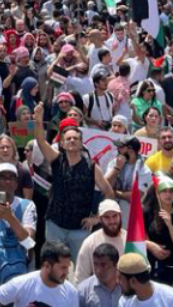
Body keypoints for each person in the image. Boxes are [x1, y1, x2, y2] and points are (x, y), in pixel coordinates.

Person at [32, 104, 114, 259]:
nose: (71, 141)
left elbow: (109, 192)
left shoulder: (92, 167)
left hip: (79, 229)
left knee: (79, 272)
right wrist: (38, 120)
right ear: (62, 143)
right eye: (68, 138)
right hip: (54, 225)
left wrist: (97, 217)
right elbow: (41, 141)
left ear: (81, 143)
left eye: (75, 138)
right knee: (53, 266)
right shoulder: (56, 159)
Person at [143, 175, 173, 283]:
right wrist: (151, 246)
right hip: (151, 265)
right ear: (157, 193)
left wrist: (170, 225)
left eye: (171, 191)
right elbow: (138, 237)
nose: (168, 195)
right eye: (164, 191)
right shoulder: (147, 212)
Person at [76, 243, 123, 307]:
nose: (98, 270)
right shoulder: (83, 291)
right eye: (95, 264)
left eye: (104, 265)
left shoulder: (128, 287)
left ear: (115, 265)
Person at [75, 201, 126, 282]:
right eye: (107, 217)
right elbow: (81, 278)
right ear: (100, 219)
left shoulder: (130, 241)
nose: (112, 221)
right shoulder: (90, 242)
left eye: (115, 216)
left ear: (120, 216)